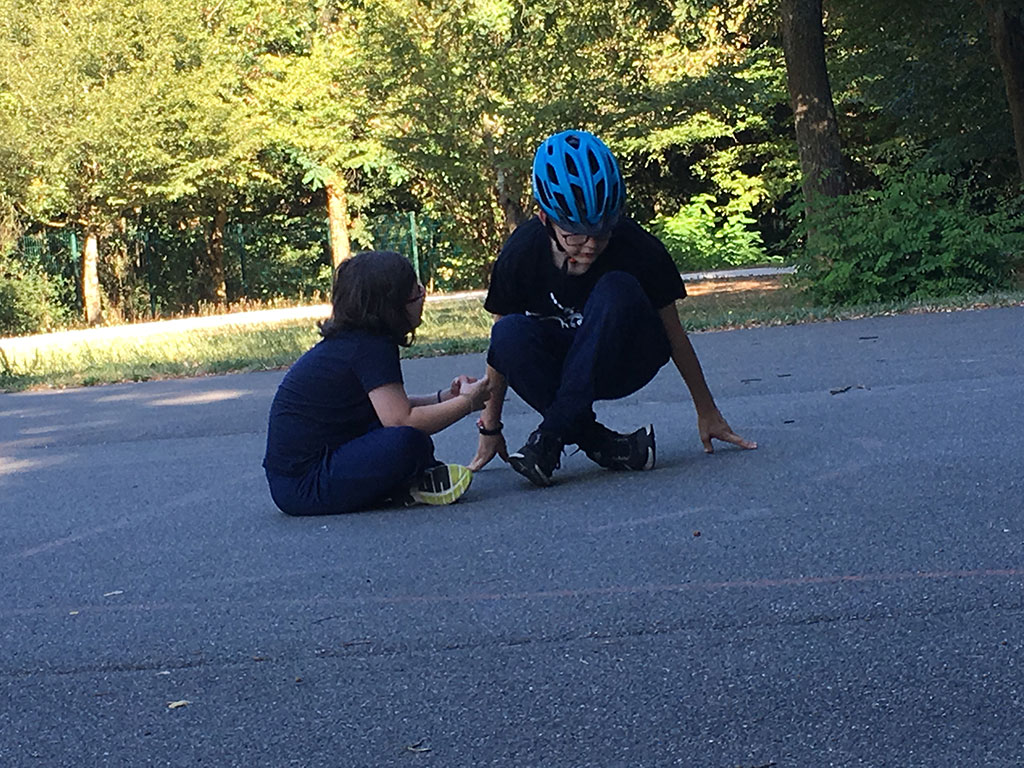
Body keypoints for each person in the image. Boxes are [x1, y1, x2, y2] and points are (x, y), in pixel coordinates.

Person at [468, 130, 756, 486]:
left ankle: (551, 434)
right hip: (564, 365)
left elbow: (674, 335)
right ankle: (603, 444)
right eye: (576, 234)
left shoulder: (637, 248)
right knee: (508, 332)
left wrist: (707, 409)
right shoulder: (521, 253)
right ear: (545, 220)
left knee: (616, 287)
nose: (591, 245)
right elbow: (499, 352)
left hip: (626, 359)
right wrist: (490, 426)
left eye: (602, 232)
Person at [263, 250, 490, 515]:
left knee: (408, 441)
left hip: (294, 479)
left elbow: (390, 407)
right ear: (393, 307)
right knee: (408, 442)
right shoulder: (371, 347)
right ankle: (405, 484)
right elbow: (401, 420)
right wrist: (467, 402)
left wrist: (446, 397)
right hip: (305, 485)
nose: (422, 296)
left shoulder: (353, 341)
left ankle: (407, 479)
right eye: (416, 292)